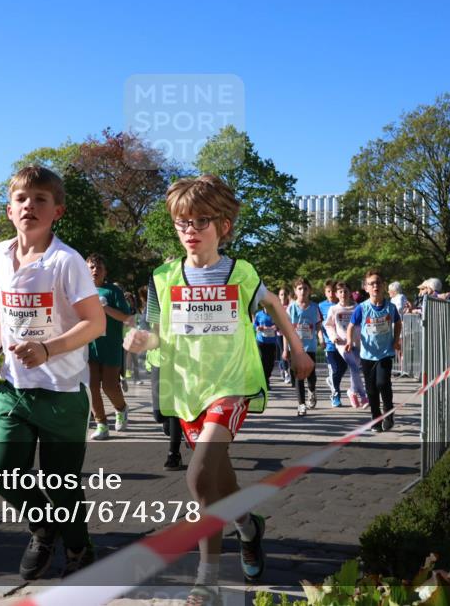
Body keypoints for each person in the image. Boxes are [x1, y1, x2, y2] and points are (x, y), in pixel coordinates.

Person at [124, 174, 311, 605]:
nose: (190, 230)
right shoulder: (163, 277)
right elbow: (154, 333)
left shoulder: (241, 273)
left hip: (231, 384)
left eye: (201, 221)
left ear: (224, 225)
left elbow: (273, 304)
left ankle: (207, 579)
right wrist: (138, 339)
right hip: (188, 387)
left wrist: (297, 349)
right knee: (214, 478)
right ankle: (248, 525)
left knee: (197, 474)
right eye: (181, 222)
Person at [0, 166, 105, 579]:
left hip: (62, 391)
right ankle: (44, 527)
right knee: (3, 474)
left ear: (57, 211)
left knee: (62, 484)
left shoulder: (66, 261)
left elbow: (95, 323)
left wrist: (47, 349)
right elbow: (6, 316)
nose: (30, 206)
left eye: (40, 200)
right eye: (22, 199)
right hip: (14, 388)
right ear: (9, 210)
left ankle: (79, 548)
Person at [347, 270, 402, 433]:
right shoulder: (362, 308)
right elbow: (351, 326)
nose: (375, 286)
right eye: (372, 283)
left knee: (382, 383)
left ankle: (389, 412)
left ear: (383, 286)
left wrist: (396, 339)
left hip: (385, 352)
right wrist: (349, 341)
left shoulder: (390, 307)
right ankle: (376, 420)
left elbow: (398, 323)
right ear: (366, 288)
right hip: (367, 355)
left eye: (378, 282)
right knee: (371, 390)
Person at [86, 253, 133, 441]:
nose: (95, 270)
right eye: (91, 267)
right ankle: (101, 424)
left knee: (110, 386)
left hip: (111, 346)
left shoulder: (113, 292)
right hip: (88, 346)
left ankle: (121, 408)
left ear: (105, 272)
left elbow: (127, 318)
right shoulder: (80, 291)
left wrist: (104, 308)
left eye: (99, 268)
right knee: (91, 387)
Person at [323, 281, 369, 409]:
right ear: (336, 294)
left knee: (356, 368)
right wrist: (334, 337)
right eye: (340, 292)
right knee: (354, 367)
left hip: (358, 342)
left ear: (350, 293)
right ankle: (363, 394)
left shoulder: (358, 307)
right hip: (342, 344)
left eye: (346, 291)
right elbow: (328, 325)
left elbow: (365, 323)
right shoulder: (334, 309)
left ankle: (352, 391)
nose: (343, 294)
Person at [286, 277, 321, 416]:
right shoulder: (291, 308)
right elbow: (286, 328)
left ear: (309, 291)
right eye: (300, 288)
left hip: (310, 347)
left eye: (305, 288)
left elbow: (318, 325)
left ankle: (312, 390)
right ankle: (301, 404)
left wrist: (321, 339)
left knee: (311, 375)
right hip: (295, 348)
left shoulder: (314, 307)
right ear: (295, 291)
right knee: (298, 376)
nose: (302, 291)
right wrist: (285, 349)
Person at [318, 278, 345, 407]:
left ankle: (332, 381)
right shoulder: (321, 306)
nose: (331, 294)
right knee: (334, 370)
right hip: (330, 344)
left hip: (343, 343)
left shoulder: (342, 304)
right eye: (328, 291)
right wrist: (321, 338)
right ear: (325, 292)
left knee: (343, 368)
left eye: (333, 291)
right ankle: (336, 396)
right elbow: (318, 324)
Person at [253, 305, 278, 388]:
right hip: (261, 341)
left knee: (270, 363)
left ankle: (267, 377)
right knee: (262, 361)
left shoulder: (275, 314)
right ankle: (264, 382)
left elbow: (280, 324)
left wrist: (276, 327)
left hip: (272, 342)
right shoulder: (258, 314)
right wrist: (258, 328)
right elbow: (254, 325)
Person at [275, 286, 292, 385]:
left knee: (290, 353)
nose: (283, 296)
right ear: (279, 296)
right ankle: (286, 372)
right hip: (280, 333)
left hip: (289, 333)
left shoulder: (291, 306)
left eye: (285, 294)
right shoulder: (276, 307)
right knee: (283, 352)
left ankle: (285, 368)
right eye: (281, 294)